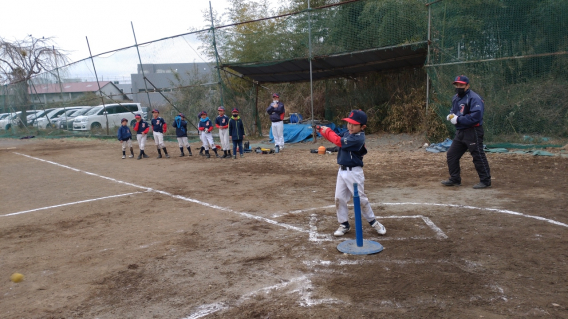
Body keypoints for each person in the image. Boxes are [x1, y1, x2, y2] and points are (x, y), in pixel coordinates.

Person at [317, 110, 386, 237]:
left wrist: (327, 131)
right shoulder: (348, 133)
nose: (350, 126)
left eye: (354, 124)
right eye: (349, 123)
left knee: (360, 200)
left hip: (354, 173)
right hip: (342, 171)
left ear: (362, 126)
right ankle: (344, 224)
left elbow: (338, 141)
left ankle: (373, 221)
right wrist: (322, 130)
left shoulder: (358, 138)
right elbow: (336, 136)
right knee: (339, 198)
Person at [442, 75, 492, 189]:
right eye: (457, 84)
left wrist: (458, 119)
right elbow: (454, 111)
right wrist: (451, 116)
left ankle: (485, 181)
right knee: (451, 155)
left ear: (467, 85)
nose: (459, 87)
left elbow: (476, 116)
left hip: (473, 131)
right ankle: (455, 179)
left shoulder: (474, 98)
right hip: (460, 132)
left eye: (461, 85)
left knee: (477, 155)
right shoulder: (455, 98)